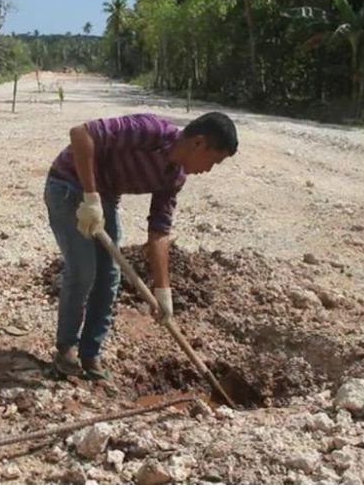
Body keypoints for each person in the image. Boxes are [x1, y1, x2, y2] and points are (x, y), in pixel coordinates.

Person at [43, 111, 238, 379]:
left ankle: (90, 355)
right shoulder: (149, 130)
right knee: (84, 270)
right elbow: (81, 134)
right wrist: (90, 197)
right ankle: (66, 349)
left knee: (110, 276)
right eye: (213, 161)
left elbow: (159, 231)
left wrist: (162, 291)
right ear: (198, 143)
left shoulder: (175, 178)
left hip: (104, 198)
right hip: (67, 184)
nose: (208, 170)